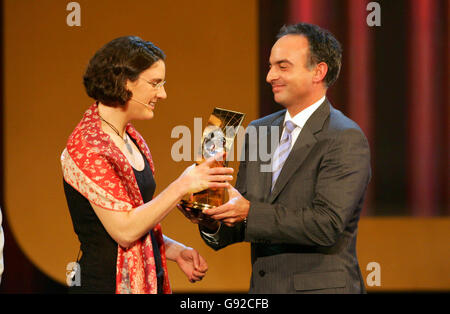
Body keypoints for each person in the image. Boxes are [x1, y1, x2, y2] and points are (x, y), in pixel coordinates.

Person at [179, 23, 371, 293]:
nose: (270, 76)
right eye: (270, 66)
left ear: (319, 71)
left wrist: (247, 211)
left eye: (283, 66)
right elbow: (246, 219)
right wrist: (211, 215)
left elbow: (326, 224)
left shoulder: (345, 137)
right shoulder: (260, 131)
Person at [61, 36, 234, 294]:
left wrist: (175, 250)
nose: (162, 94)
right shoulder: (89, 145)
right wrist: (182, 185)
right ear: (124, 82)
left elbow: (137, 219)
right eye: (155, 83)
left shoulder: (131, 137)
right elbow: (124, 231)